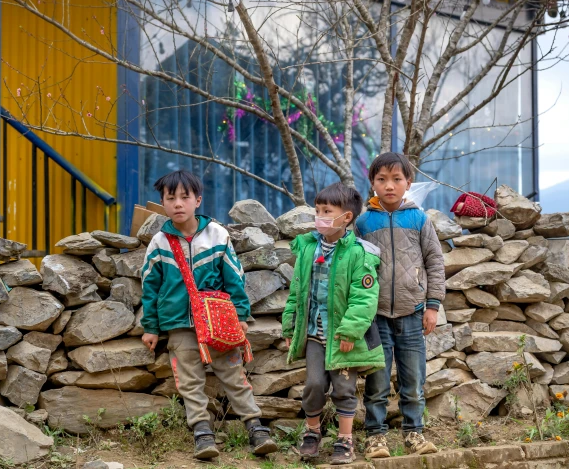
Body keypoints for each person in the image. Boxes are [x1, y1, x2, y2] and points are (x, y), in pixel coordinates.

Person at [140, 170, 277, 460]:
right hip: (179, 325)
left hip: (219, 323)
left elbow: (233, 278)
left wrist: (241, 314)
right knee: (189, 380)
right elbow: (150, 287)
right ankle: (203, 433)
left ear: (197, 200)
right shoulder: (159, 243)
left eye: (184, 197)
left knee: (233, 374)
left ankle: (255, 427)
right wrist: (150, 327)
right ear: (163, 203)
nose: (178, 204)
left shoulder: (217, 235)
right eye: (170, 198)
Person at [281, 182, 386, 465]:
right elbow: (297, 292)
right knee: (314, 384)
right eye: (317, 210)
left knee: (344, 389)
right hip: (315, 334)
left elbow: (364, 298)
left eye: (327, 211)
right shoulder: (307, 248)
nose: (320, 216)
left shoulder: (359, 253)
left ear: (346, 217)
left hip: (343, 338)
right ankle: (312, 432)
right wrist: (291, 327)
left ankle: (344, 440)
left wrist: (351, 330)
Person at [354, 152, 446, 458]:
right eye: (382, 179)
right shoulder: (364, 222)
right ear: (372, 184)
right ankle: (375, 437)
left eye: (397, 179)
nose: (389, 185)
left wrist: (432, 305)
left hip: (412, 313)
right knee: (377, 381)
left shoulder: (419, 219)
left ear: (408, 182)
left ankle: (414, 434)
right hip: (375, 316)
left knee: (414, 379)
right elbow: (355, 267)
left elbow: (434, 262)